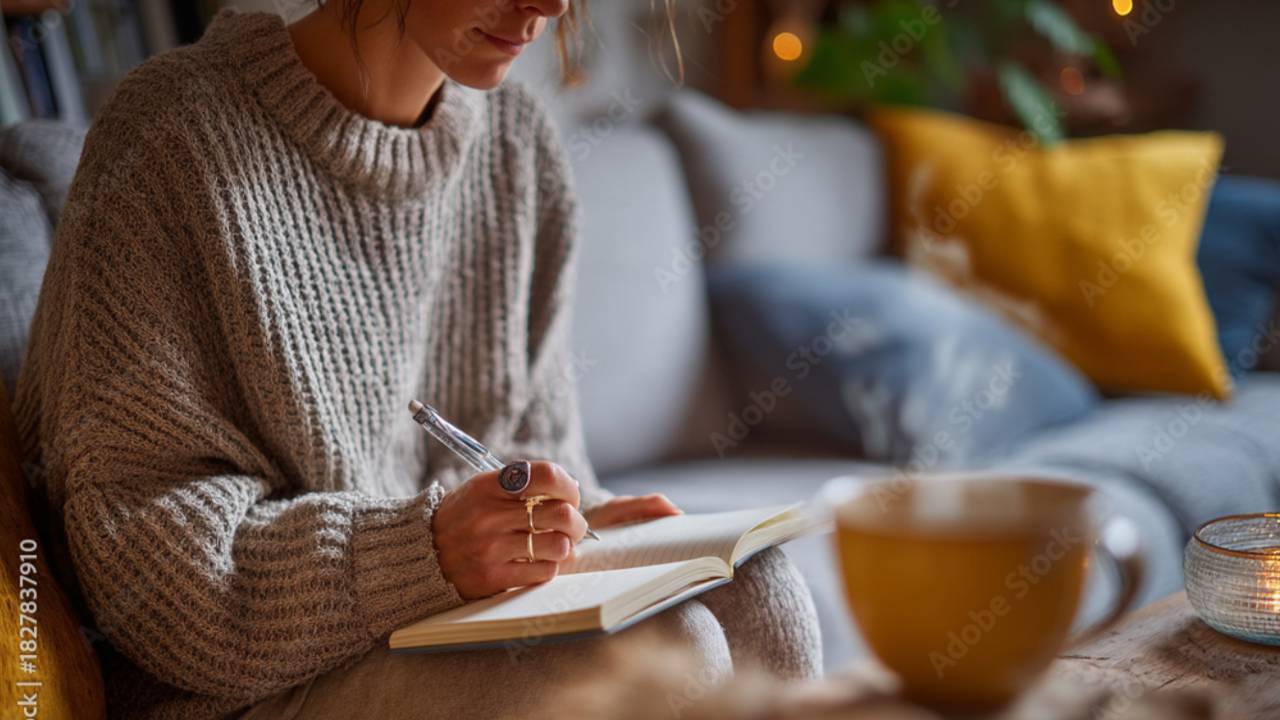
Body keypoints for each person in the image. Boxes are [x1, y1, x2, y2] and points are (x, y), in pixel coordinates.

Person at [12, 1, 822, 718]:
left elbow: (536, 448)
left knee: (763, 590)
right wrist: (422, 552)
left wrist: (569, 521)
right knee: (671, 650)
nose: (549, 7)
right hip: (233, 686)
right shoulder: (174, 132)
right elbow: (140, 564)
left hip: (441, 625)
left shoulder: (517, 143)